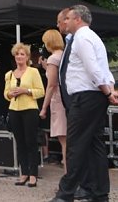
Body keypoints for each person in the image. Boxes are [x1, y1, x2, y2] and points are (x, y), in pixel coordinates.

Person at [50, 5, 118, 202]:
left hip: (85, 97)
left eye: (69, 18)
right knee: (94, 146)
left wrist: (107, 91)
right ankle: (98, 192)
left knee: (76, 145)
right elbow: (103, 69)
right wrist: (109, 90)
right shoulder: (93, 38)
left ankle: (66, 193)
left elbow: (93, 69)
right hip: (93, 96)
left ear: (78, 19)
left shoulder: (82, 38)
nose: (66, 21)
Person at [5, 42, 45, 187]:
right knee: (20, 142)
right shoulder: (9, 74)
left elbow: (41, 91)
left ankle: (33, 174)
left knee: (31, 142)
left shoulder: (33, 72)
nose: (19, 57)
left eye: (22, 54)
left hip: (30, 109)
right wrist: (10, 93)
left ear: (27, 57)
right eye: (17, 54)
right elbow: (5, 94)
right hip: (14, 109)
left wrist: (26, 91)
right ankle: (24, 173)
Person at [40, 29, 68, 170]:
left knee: (64, 139)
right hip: (68, 99)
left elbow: (51, 85)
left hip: (57, 100)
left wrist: (44, 107)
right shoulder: (64, 55)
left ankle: (68, 175)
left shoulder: (52, 58)